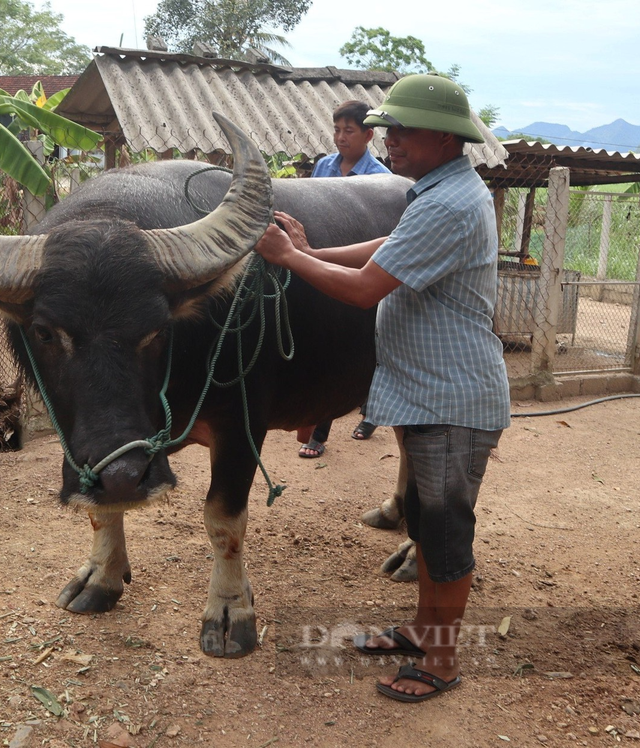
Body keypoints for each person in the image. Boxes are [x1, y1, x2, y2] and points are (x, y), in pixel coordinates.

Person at [255, 73, 509, 702]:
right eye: (386, 129)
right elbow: (387, 249)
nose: (388, 139)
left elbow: (369, 288)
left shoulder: (450, 203)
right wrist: (316, 247)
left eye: (403, 130)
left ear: (448, 139)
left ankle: (441, 662)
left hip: (452, 396)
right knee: (424, 518)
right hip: (429, 390)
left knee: (445, 532)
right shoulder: (440, 191)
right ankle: (423, 632)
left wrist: (289, 259)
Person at [298, 100, 388, 458]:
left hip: (361, 268)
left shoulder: (381, 178)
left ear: (368, 135)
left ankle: (360, 418)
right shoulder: (324, 166)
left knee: (365, 342)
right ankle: (322, 425)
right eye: (337, 130)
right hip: (319, 261)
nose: (340, 137)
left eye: (348, 131)